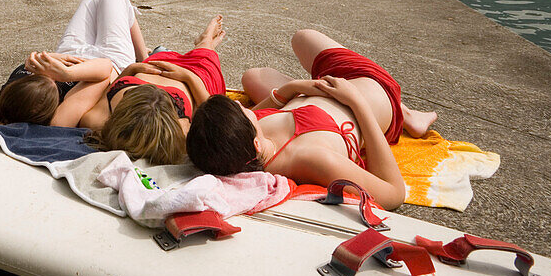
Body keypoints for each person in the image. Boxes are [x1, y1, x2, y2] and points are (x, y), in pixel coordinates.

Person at [185, 29, 438, 210]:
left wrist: (293, 88)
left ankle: (306, 85)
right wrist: (356, 102)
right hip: (374, 90)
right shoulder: (312, 159)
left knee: (253, 76)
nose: (241, 104)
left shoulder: (239, 146)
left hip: (319, 90)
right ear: (256, 144)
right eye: (241, 111)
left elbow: (256, 115)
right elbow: (393, 194)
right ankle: (406, 115)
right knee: (303, 37)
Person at [0, 0, 150, 133]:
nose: (49, 75)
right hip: (109, 60)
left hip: (69, 54)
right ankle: (145, 57)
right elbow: (105, 70)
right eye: (53, 81)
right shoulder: (60, 119)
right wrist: (66, 73)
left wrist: (44, 59)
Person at [81, 14, 229, 165]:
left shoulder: (95, 121)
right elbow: (213, 110)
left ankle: (204, 43)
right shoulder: (182, 137)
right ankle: (205, 42)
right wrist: (189, 77)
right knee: (204, 58)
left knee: (201, 57)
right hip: (186, 73)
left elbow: (108, 90)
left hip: (154, 64)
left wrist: (132, 68)